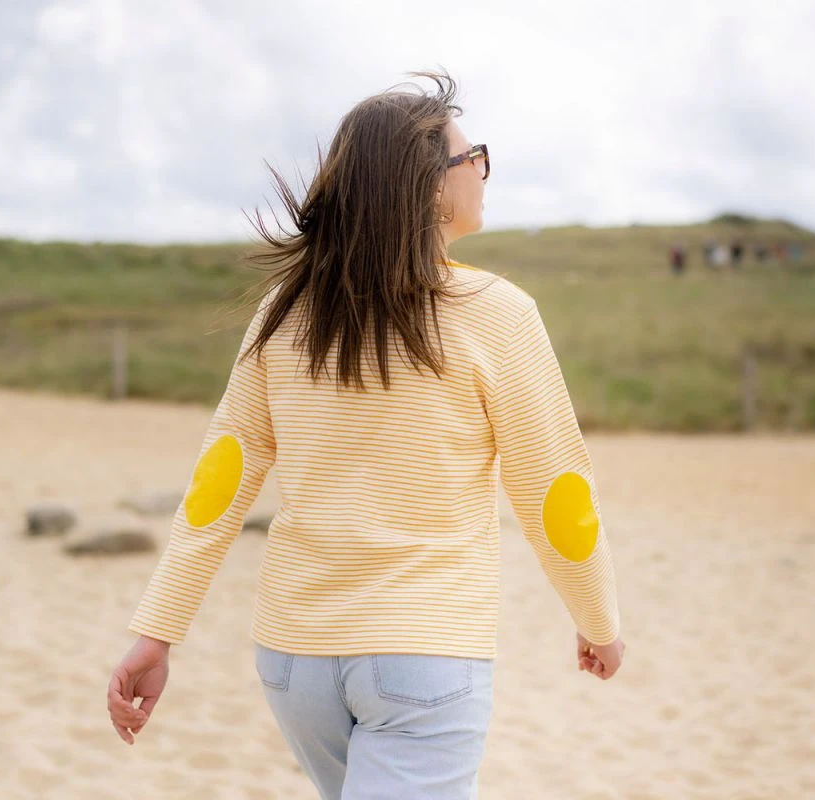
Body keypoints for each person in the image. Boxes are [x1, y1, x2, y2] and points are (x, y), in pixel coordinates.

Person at [105, 71, 624, 799]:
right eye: (471, 155)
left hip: (293, 659)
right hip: (425, 654)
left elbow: (218, 483)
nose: (481, 169)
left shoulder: (285, 315)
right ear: (427, 188)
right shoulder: (498, 314)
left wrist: (158, 630)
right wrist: (599, 621)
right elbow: (554, 490)